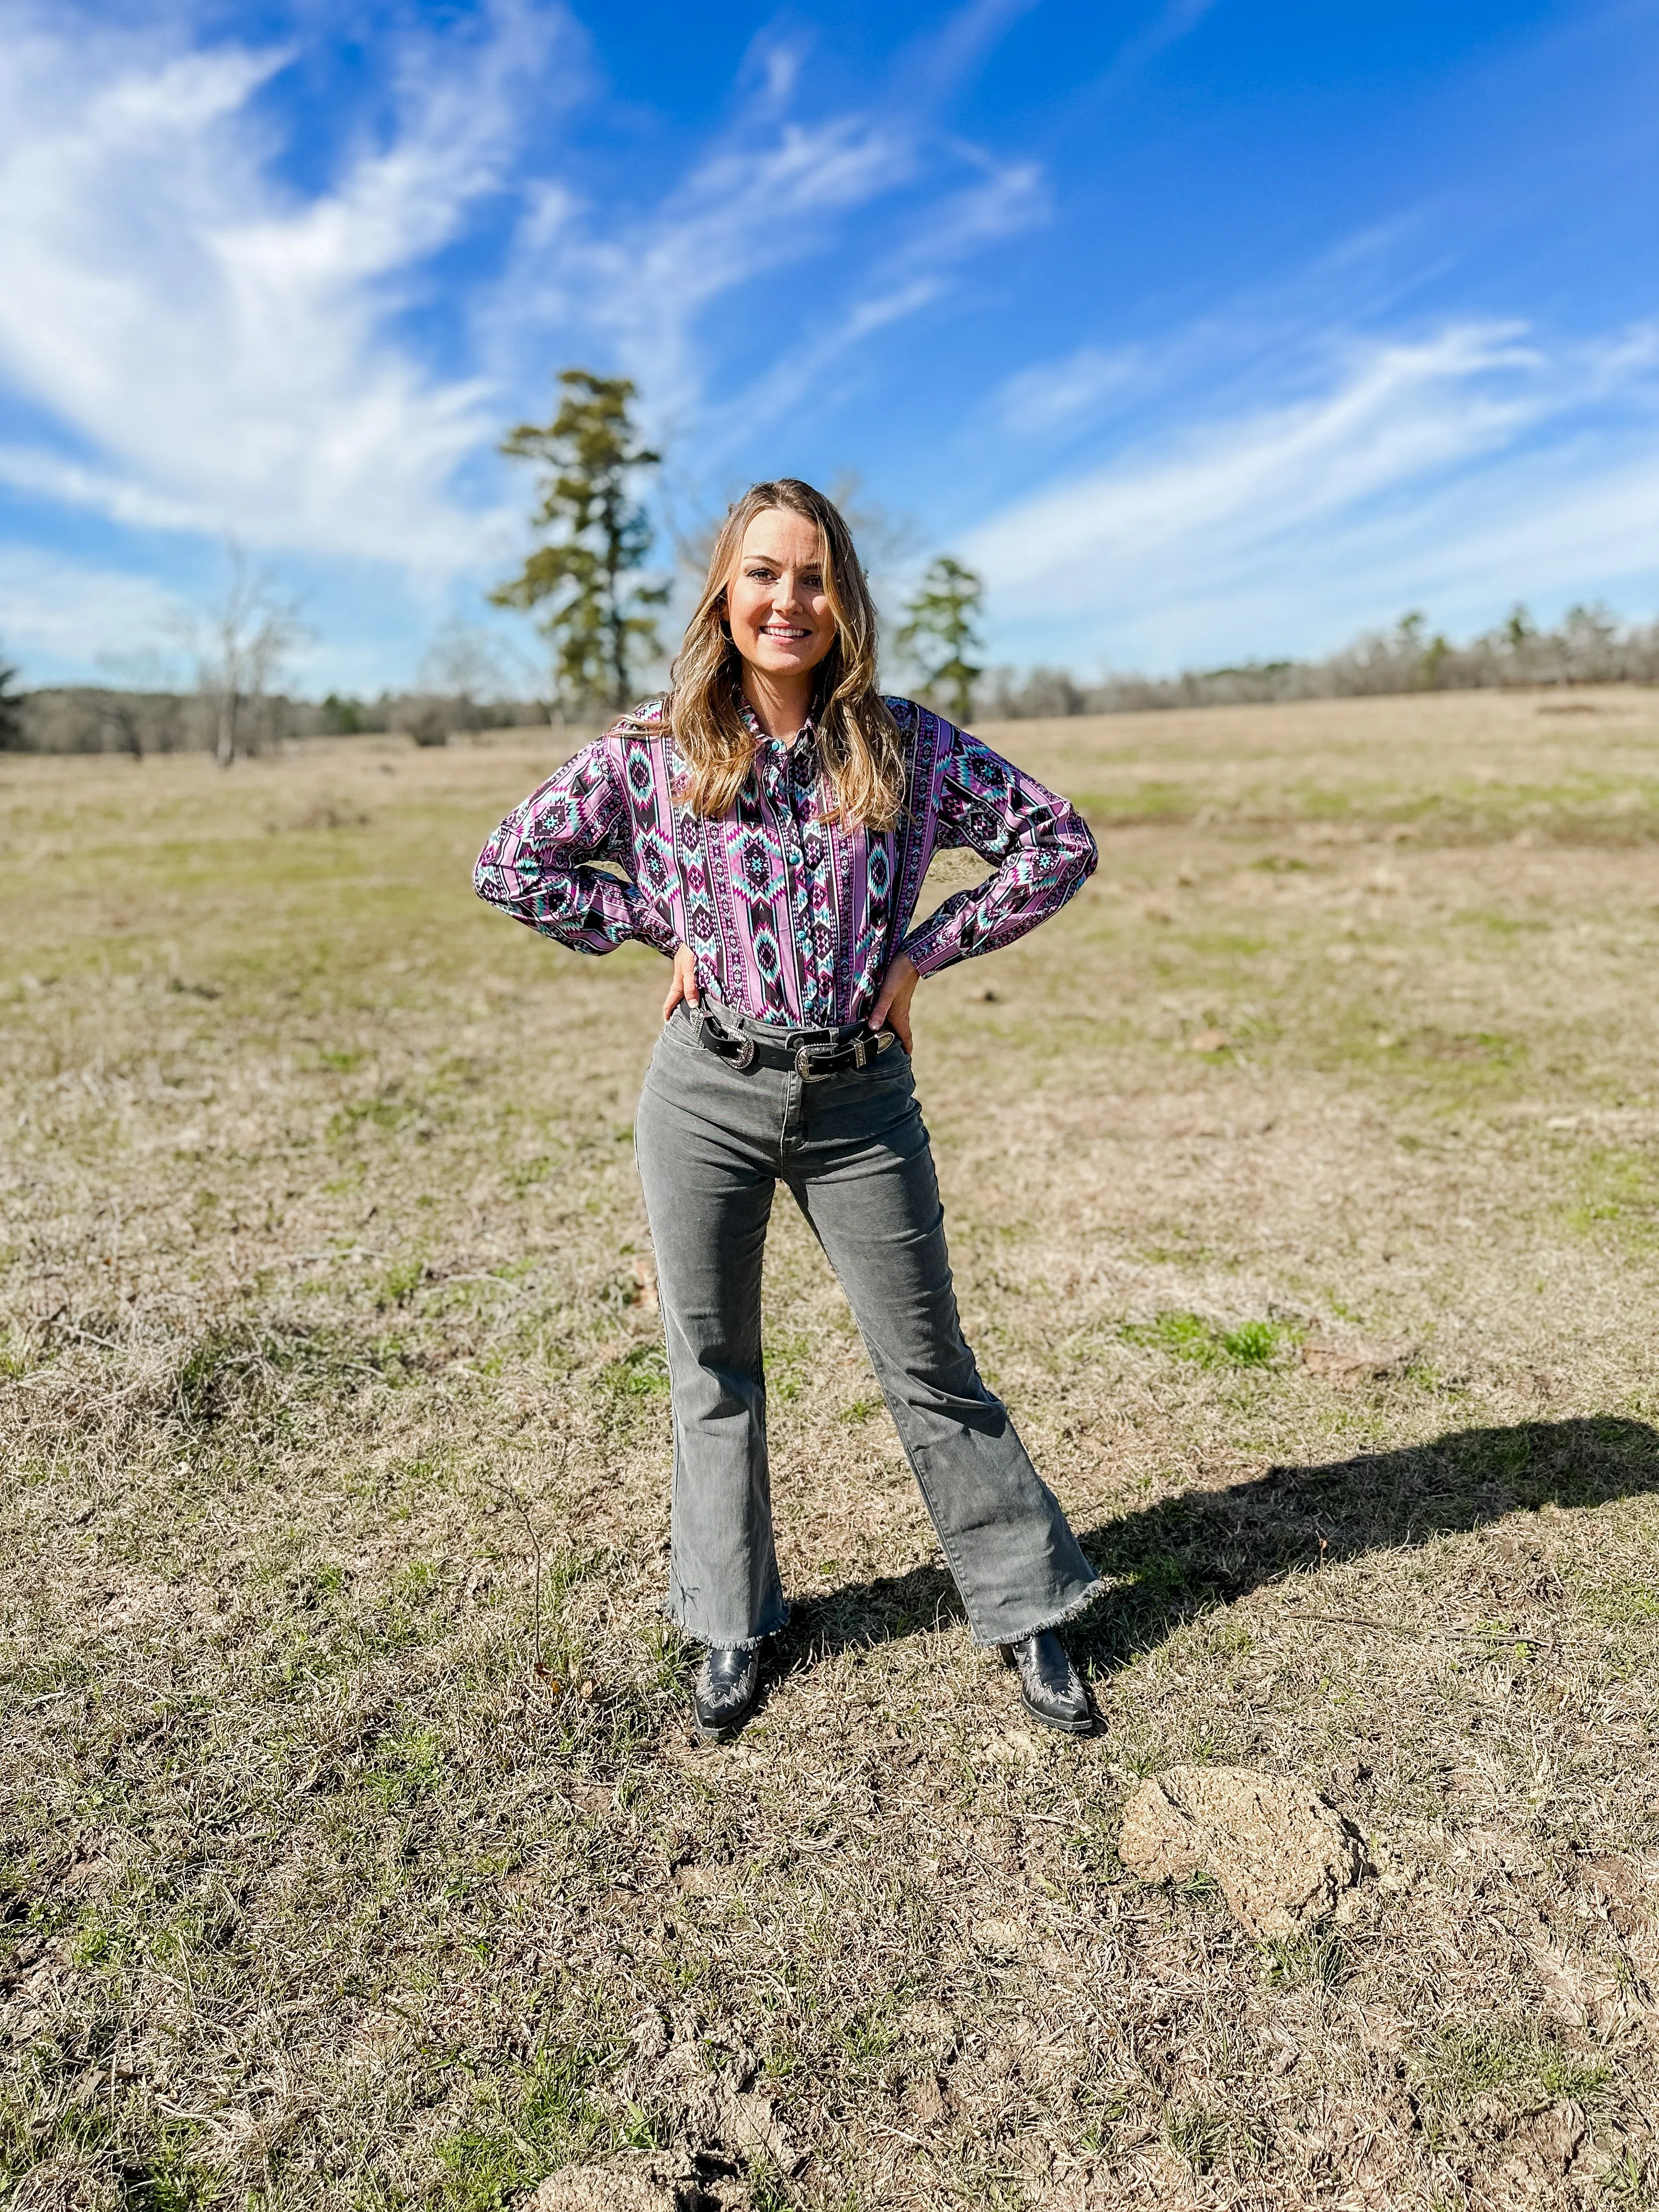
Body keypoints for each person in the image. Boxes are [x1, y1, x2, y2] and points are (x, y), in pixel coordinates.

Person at [475, 478, 1103, 1739]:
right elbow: (511, 863)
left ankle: (1028, 1607)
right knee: (712, 1366)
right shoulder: (652, 752)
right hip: (705, 1087)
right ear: (726, 588)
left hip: (859, 1098)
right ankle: (729, 1621)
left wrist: (923, 953)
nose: (788, 601)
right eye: (764, 574)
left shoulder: (907, 745)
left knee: (928, 1361)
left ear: (844, 600)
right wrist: (659, 923)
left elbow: (1060, 842)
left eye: (813, 579)